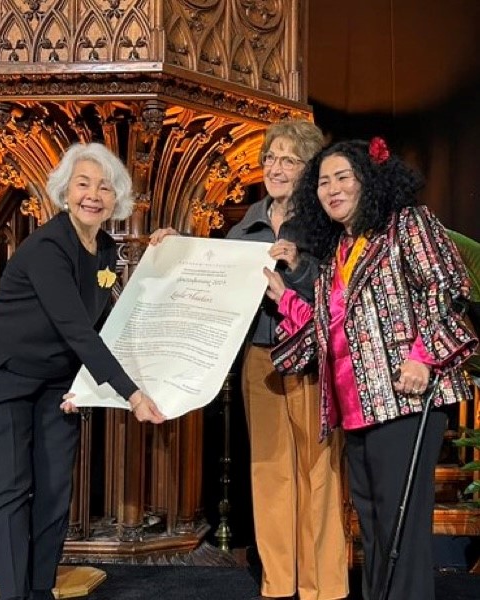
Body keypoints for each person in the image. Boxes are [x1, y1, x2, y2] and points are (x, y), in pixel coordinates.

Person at [266, 137, 478, 600]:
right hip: (356, 410)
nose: (332, 189)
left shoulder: (406, 224)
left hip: (405, 399)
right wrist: (286, 300)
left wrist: (423, 356)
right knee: (375, 527)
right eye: (323, 182)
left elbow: (446, 286)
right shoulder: (339, 251)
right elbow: (328, 330)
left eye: (343, 177)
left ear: (368, 180)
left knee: (401, 527)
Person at [151, 119, 349, 600]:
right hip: (261, 359)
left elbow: (340, 289)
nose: (275, 168)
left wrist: (298, 265)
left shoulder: (324, 221)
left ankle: (323, 586)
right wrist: (176, 246)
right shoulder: (246, 225)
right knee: (269, 469)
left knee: (319, 470)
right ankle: (279, 584)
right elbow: (212, 273)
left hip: (312, 357)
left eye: (289, 160)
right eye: (270, 158)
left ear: (308, 169)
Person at [0, 142, 165, 600]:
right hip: (4, 375)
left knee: (55, 490)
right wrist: (132, 394)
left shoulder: (106, 249)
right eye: (83, 184)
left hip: (57, 383)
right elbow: (77, 328)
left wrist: (164, 249)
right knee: (10, 488)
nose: (93, 195)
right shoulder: (47, 246)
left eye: (105, 187)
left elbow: (106, 320)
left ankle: (40, 591)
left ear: (116, 198)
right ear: (65, 191)